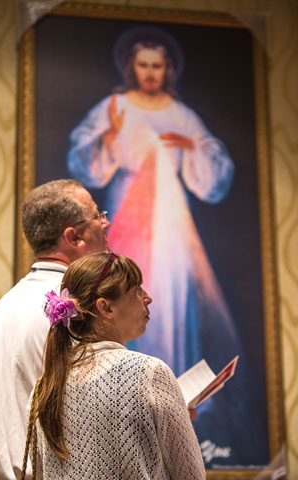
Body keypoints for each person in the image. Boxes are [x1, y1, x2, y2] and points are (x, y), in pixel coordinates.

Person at [67, 26, 235, 377]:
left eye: (156, 66)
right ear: (132, 67)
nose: (150, 72)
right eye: (143, 65)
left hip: (171, 217)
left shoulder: (180, 113)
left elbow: (214, 164)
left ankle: (173, 382)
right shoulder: (115, 107)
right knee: (125, 287)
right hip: (129, 207)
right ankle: (130, 377)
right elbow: (83, 156)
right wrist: (111, 134)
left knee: (171, 294)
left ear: (167, 69)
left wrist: (190, 148)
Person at [25, 251, 206, 479]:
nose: (148, 297)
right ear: (106, 308)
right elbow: (191, 475)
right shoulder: (148, 373)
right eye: (137, 289)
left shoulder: (42, 390)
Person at [0, 179, 110, 480]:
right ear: (74, 237)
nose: (107, 223)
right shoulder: (81, 307)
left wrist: (16, 457)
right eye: (97, 216)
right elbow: (105, 406)